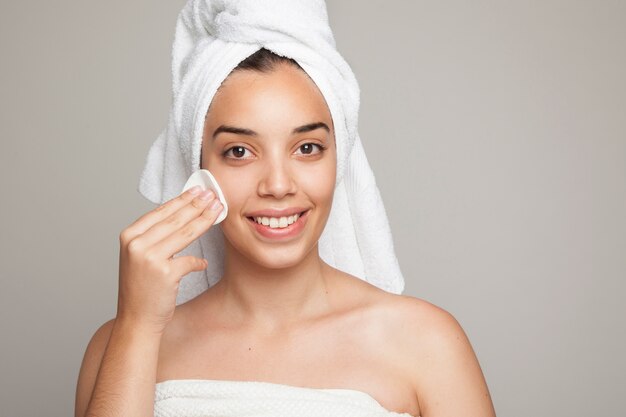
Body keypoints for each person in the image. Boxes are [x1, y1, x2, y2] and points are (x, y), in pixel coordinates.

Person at [75, 3, 496, 417]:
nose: (277, 185)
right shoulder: (122, 343)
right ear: (198, 167)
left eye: (307, 148)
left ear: (340, 159)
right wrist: (137, 326)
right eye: (239, 151)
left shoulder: (425, 343)